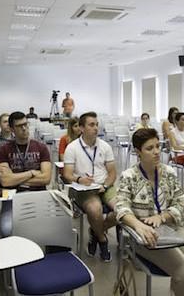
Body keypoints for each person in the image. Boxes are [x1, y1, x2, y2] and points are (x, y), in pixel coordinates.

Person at [116, 128, 184, 296]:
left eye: (158, 146)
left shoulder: (169, 173)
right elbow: (121, 207)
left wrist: (162, 216)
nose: (156, 152)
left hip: (174, 227)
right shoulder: (129, 176)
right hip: (146, 234)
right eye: (149, 148)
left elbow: (180, 204)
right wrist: (138, 225)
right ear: (138, 152)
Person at [63, 112, 117, 262]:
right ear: (81, 128)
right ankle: (102, 240)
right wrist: (79, 179)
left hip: (104, 186)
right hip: (84, 189)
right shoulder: (72, 148)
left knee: (122, 209)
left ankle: (95, 231)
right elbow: (67, 174)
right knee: (95, 209)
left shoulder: (105, 146)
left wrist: (105, 186)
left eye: (96, 124)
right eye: (91, 125)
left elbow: (112, 173)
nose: (96, 128)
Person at [0, 111, 52, 235]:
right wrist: (32, 172)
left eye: (26, 124)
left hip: (38, 195)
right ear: (11, 129)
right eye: (19, 126)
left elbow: (46, 178)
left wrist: (14, 178)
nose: (24, 128)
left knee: (54, 227)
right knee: (6, 229)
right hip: (13, 197)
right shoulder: (3, 150)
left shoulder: (41, 148)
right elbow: (5, 181)